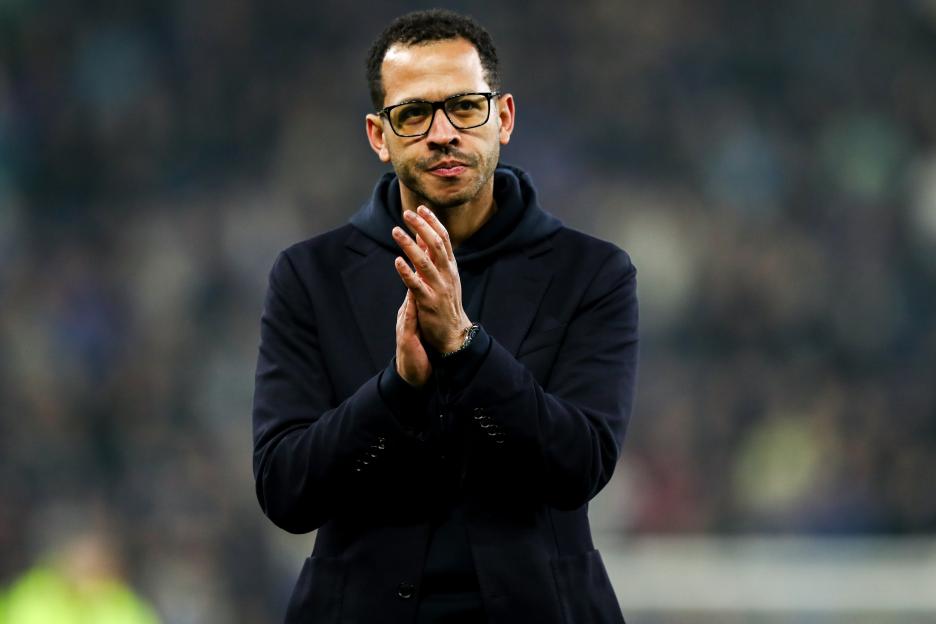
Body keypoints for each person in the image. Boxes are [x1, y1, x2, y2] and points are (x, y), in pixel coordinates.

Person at [252, 9, 638, 623]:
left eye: (465, 108)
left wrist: (465, 348)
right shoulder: (310, 276)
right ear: (380, 136)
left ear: (503, 119)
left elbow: (580, 466)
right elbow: (285, 490)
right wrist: (395, 391)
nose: (443, 133)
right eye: (414, 114)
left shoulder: (591, 273)